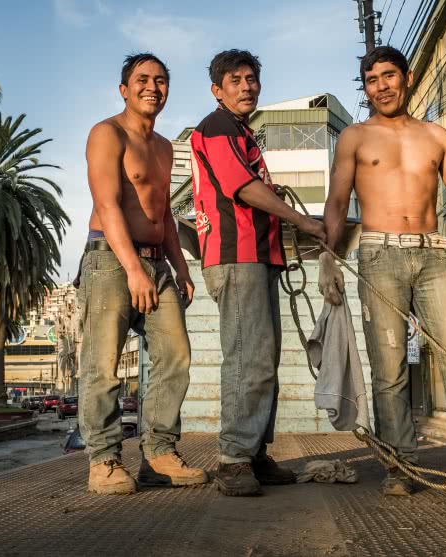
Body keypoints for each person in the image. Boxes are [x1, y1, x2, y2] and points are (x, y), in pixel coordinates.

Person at [320, 46, 446, 496]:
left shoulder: (436, 135)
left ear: (406, 78)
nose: (381, 87)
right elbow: (336, 203)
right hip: (379, 256)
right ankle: (400, 465)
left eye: (388, 76)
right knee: (389, 369)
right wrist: (328, 258)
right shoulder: (354, 137)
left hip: (432, 256)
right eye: (371, 80)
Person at [190, 49, 326, 496]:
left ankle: (254, 454)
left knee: (263, 360)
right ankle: (232, 460)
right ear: (217, 90)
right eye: (235, 80)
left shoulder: (243, 134)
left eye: (251, 79)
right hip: (236, 256)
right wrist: (302, 220)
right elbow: (241, 187)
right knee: (247, 358)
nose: (246, 86)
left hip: (260, 256)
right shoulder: (217, 128)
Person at [78, 53, 206, 495]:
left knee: (176, 356)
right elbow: (109, 203)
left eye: (161, 80)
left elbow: (163, 214)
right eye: (142, 79)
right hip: (111, 260)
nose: (153, 87)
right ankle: (104, 461)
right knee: (103, 366)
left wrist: (180, 265)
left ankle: (159, 454)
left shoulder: (166, 146)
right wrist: (134, 269)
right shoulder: (106, 133)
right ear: (124, 89)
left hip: (157, 259)